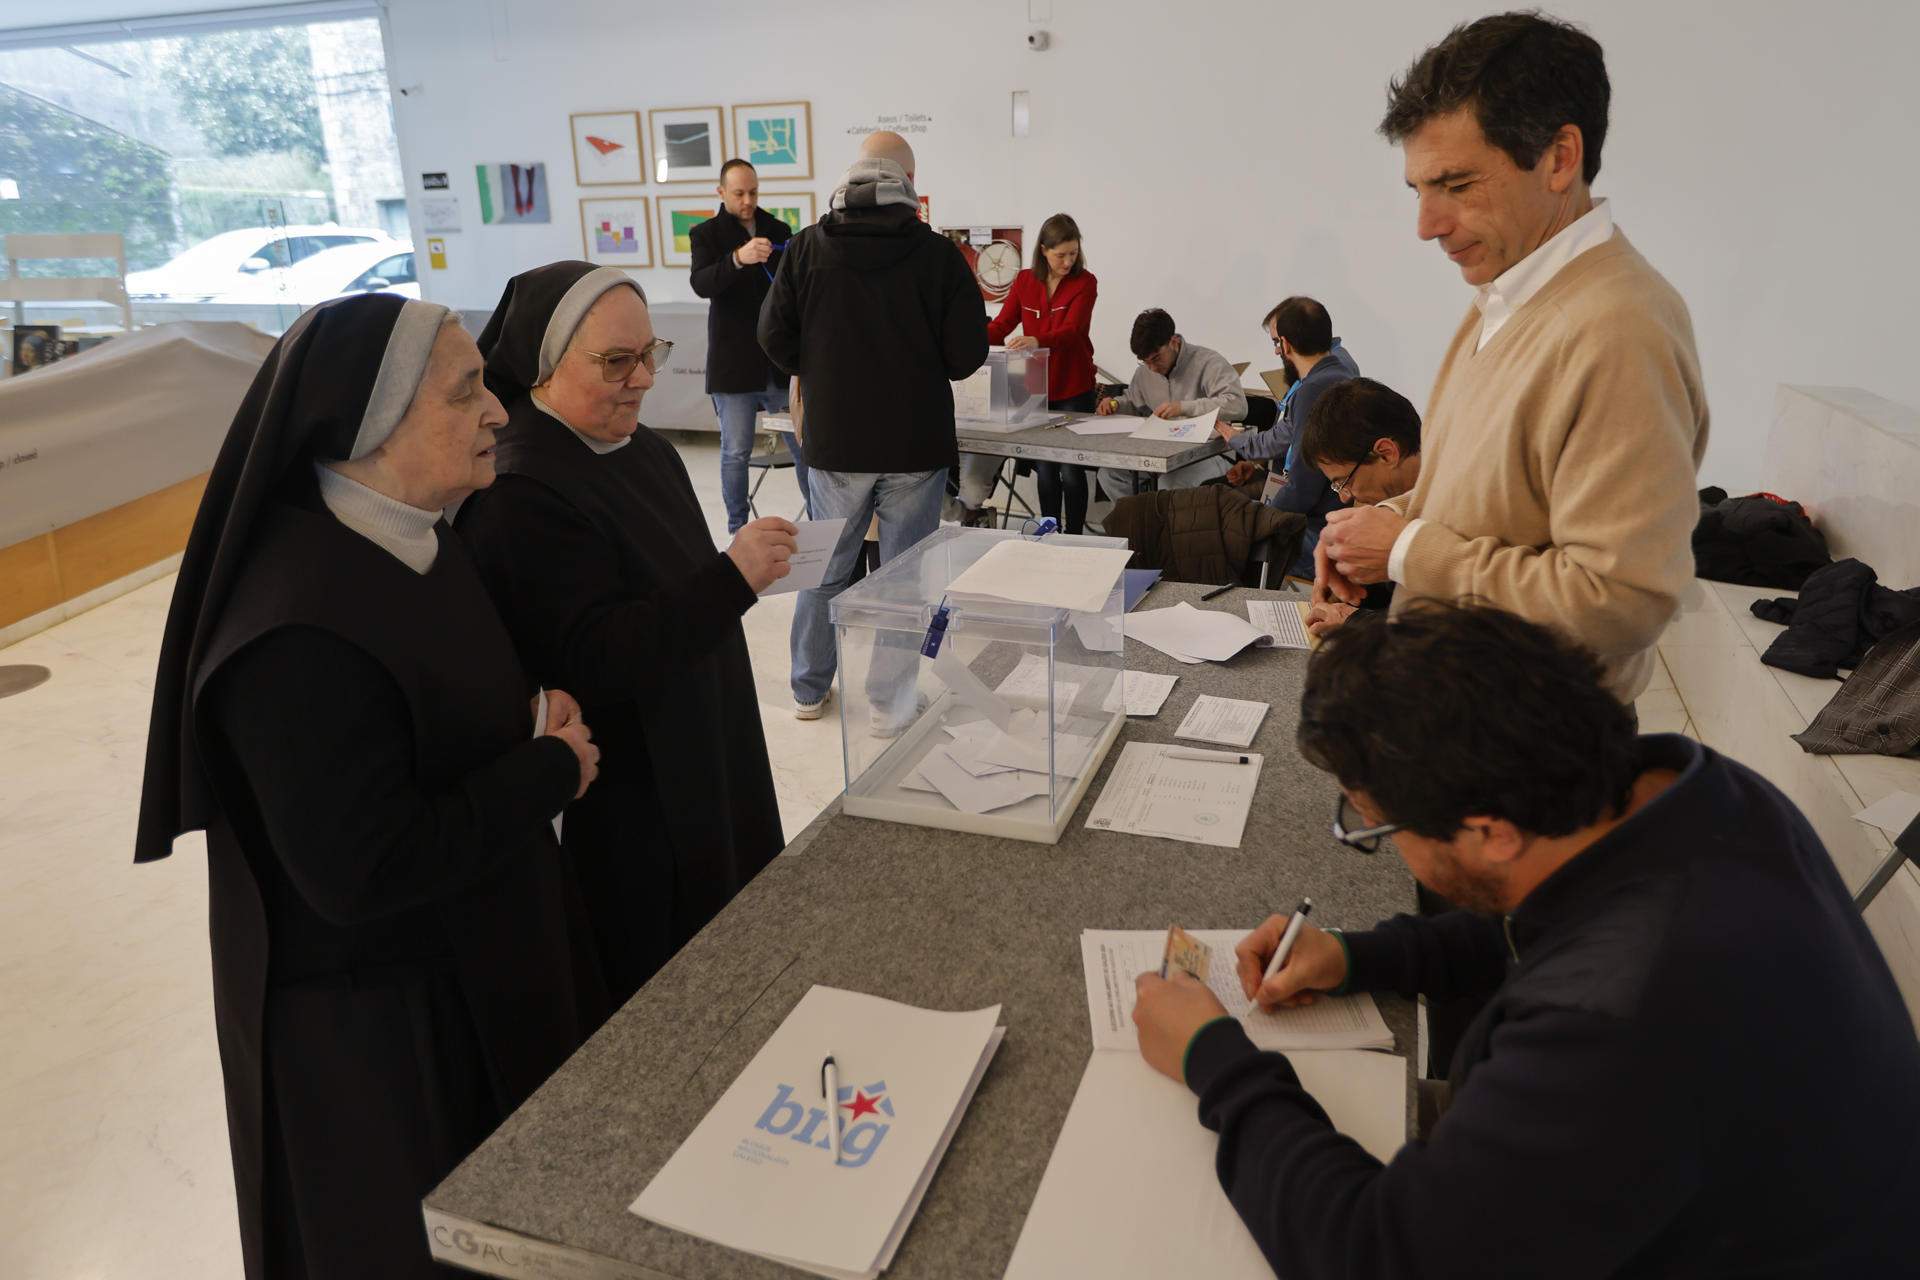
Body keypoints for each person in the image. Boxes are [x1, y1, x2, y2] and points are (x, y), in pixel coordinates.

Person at [1133, 603, 1920, 1277]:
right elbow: (1550, 914)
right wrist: (1363, 955)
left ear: (1491, 831)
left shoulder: (1615, 1023)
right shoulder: (1693, 791)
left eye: (1378, 825)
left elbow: (1381, 1258)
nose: (1377, 838)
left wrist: (1217, 1062)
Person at [133, 294, 605, 1279]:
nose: (500, 413)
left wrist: (523, 722)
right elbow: (363, 867)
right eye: (466, 391)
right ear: (370, 421)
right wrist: (548, 769)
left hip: (463, 970)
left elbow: (431, 719)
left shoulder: (410, 534)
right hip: (382, 1049)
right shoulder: (294, 629)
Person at [1313, 11, 1708, 705]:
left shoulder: (1617, 328)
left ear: (1559, 157)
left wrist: (1406, 552)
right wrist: (1378, 526)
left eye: (1457, 186)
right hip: (1457, 724)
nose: (1427, 226)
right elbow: (1498, 500)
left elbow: (1617, 601)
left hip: (1523, 770)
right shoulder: (1509, 293)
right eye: (1420, 190)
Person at [457, 262, 791, 1006]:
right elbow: (595, 660)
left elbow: (675, 593)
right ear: (547, 364)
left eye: (651, 354)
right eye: (616, 361)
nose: (641, 379)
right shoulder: (521, 493)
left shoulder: (647, 449)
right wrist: (731, 578)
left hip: (704, 740)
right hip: (635, 797)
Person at [759, 130, 988, 721]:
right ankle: (890, 702)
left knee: (825, 569)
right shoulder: (937, 255)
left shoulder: (808, 247)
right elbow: (967, 354)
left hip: (836, 442)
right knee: (905, 578)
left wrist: (822, 370)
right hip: (915, 441)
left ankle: (809, 689)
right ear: (909, 183)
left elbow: (771, 336)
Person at [689, 157, 807, 533]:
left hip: (777, 360)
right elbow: (702, 284)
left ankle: (821, 515)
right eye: (739, 193)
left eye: (753, 192)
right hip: (732, 362)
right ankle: (738, 527)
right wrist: (738, 260)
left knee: (805, 445)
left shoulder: (778, 228)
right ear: (720, 192)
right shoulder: (705, 234)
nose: (747, 200)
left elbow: (794, 289)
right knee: (736, 451)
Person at [974, 211, 1100, 532]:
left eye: (1073, 253)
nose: (1068, 261)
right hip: (1035, 387)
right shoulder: (1025, 281)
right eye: (1061, 255)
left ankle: (1074, 536)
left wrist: (1036, 339)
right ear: (1043, 249)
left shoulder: (1085, 283)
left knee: (1071, 470)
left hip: (1074, 387)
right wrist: (969, 337)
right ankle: (1050, 532)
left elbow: (1073, 331)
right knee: (1045, 467)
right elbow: (1002, 325)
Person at [1219, 297, 1358, 578]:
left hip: (1315, 530)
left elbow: (1302, 488)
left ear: (1285, 345)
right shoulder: (1338, 371)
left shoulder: (1313, 389)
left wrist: (1261, 518)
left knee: (1223, 530)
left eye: (1275, 343)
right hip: (1328, 518)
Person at [1293, 376, 1423, 633]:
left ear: (1386, 453)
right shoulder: (1391, 506)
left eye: (1344, 481)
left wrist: (1353, 621)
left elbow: (1440, 622)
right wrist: (1349, 581)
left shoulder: (1457, 509)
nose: (1345, 496)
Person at [1094, 308, 1247, 502]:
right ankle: (1144, 525)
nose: (1152, 367)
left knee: (1168, 484)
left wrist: (1184, 407)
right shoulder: (1145, 373)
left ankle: (1166, 530)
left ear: (1173, 341)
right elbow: (1134, 402)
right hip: (1160, 453)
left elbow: (1237, 405)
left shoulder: (1208, 362)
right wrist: (1115, 404)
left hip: (1207, 454)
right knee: (1110, 476)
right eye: (1144, 361)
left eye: (1156, 358)